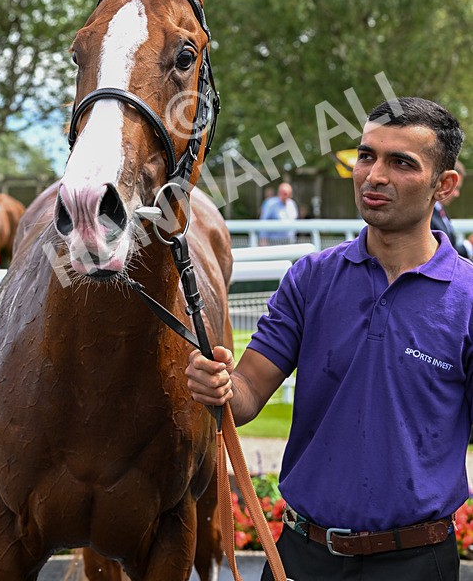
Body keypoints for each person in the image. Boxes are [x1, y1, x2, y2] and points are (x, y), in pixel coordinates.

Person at [186, 97, 473, 581]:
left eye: (401, 162)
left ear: (444, 185)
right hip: (303, 556)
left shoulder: (467, 299)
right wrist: (217, 385)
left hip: (417, 562)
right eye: (367, 156)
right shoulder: (310, 279)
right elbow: (246, 394)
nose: (374, 175)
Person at [431, 159, 473, 260]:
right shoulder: (427, 215)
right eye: (455, 188)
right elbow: (442, 254)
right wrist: (469, 245)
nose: (456, 194)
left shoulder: (441, 210)